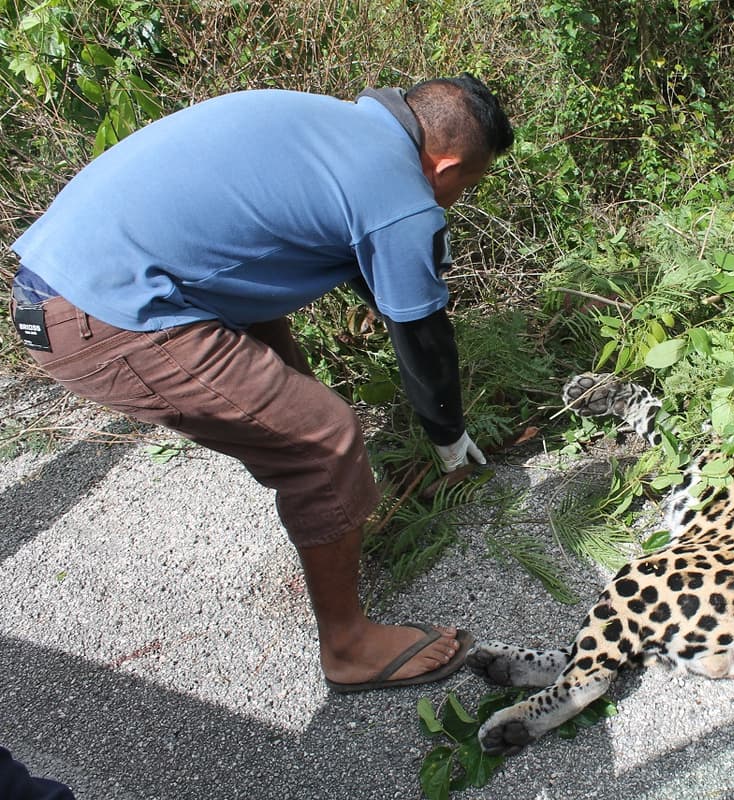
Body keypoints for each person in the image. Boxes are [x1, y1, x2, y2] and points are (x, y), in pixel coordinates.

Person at [7, 75, 514, 691]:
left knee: (298, 401)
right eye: (468, 185)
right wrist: (449, 441)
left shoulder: (323, 121)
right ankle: (349, 648)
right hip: (106, 313)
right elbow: (422, 333)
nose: (457, 199)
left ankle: (328, 511)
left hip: (59, 277)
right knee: (323, 436)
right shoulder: (402, 193)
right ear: (446, 165)